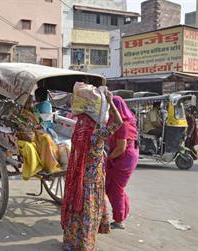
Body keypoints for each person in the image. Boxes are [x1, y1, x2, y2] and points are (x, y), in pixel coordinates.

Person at [61, 89, 123, 251]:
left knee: (77, 211)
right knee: (89, 212)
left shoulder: (78, 133)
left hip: (77, 179)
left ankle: (70, 243)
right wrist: (110, 103)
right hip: (93, 181)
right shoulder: (97, 134)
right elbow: (118, 122)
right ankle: (85, 245)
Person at [105, 96, 139, 229]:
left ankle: (119, 220)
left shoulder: (123, 124)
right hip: (120, 156)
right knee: (115, 188)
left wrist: (109, 158)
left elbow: (121, 148)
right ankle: (122, 214)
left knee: (116, 189)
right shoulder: (113, 121)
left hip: (124, 158)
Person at [16, 96, 61, 180]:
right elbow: (21, 126)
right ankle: (46, 165)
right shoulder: (20, 112)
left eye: (31, 102)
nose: (30, 104)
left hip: (37, 132)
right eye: (28, 103)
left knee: (46, 138)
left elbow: (40, 121)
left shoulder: (34, 110)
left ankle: (49, 164)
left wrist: (39, 126)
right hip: (25, 134)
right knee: (44, 139)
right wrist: (34, 127)